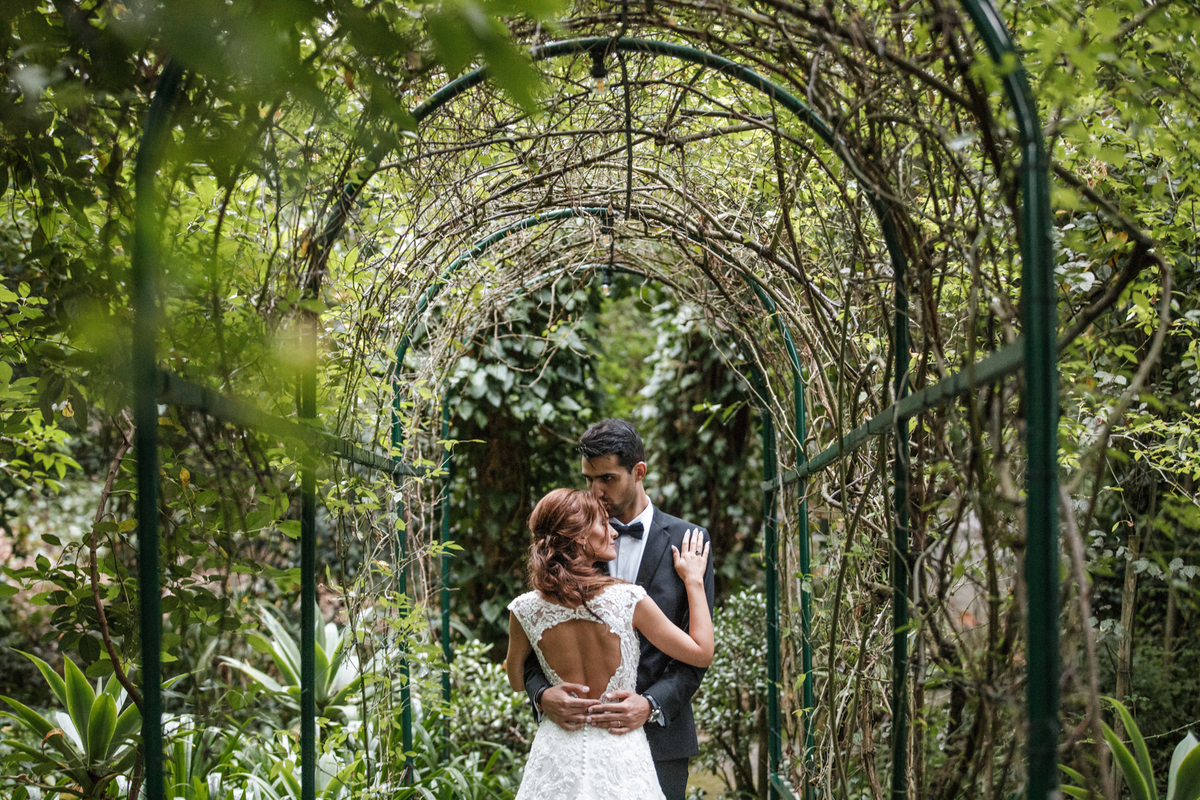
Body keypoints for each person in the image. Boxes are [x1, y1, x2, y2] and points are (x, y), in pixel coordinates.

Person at [523, 419, 715, 800]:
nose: (596, 491)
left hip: (662, 742)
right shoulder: (570, 541)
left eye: (607, 478)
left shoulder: (689, 541)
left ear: (638, 471)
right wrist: (542, 695)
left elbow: (695, 654)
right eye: (589, 479)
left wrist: (651, 704)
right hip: (580, 745)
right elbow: (534, 636)